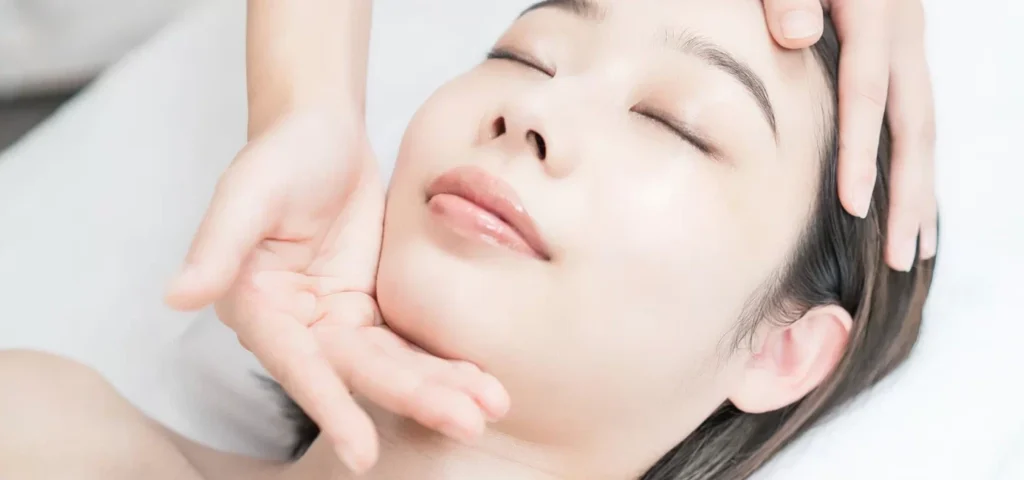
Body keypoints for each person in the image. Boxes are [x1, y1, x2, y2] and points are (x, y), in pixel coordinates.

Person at [0, 1, 937, 478]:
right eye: (522, 55)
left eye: (674, 121)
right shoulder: (45, 427)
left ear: (783, 351)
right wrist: (302, 105)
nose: (532, 108)